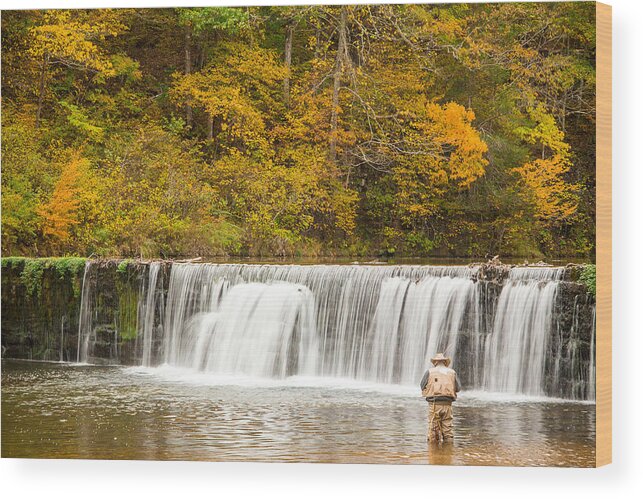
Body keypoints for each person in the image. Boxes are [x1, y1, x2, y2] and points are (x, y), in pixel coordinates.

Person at [419, 353, 460, 443]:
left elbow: (422, 386)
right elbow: (458, 388)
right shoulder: (452, 372)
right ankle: (448, 452)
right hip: (448, 405)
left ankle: (434, 454)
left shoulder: (429, 372)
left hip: (434, 404)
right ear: (445, 362)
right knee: (448, 428)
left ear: (436, 362)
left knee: (433, 428)